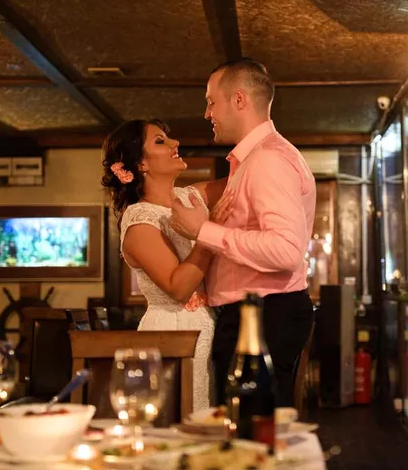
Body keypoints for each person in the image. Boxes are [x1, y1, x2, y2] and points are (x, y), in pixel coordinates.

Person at [170, 58, 316, 408]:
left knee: (252, 436)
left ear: (238, 100)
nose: (207, 113)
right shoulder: (250, 161)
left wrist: (202, 231)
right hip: (259, 312)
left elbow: (286, 251)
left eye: (210, 101)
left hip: (264, 314)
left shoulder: (268, 159)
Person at [101, 118, 226, 411]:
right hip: (172, 334)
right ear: (141, 164)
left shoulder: (189, 197)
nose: (175, 144)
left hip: (207, 331)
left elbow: (244, 180)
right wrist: (208, 232)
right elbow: (179, 287)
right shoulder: (140, 221)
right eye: (160, 141)